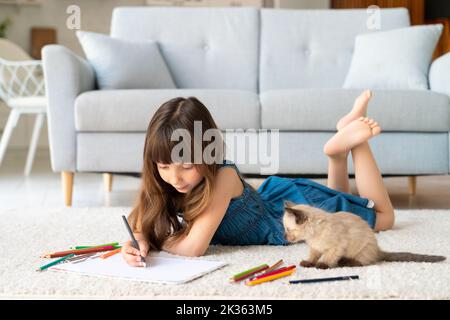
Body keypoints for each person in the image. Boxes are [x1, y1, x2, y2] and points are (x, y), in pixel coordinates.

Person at [122, 91, 394, 267]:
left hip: (285, 217)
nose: (175, 177)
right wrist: (139, 241)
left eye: (187, 166)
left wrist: (159, 242)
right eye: (164, 166)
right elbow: (140, 225)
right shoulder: (165, 182)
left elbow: (193, 248)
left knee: (384, 217)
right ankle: (337, 154)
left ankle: (358, 142)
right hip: (272, 200)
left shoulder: (223, 176)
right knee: (336, 212)